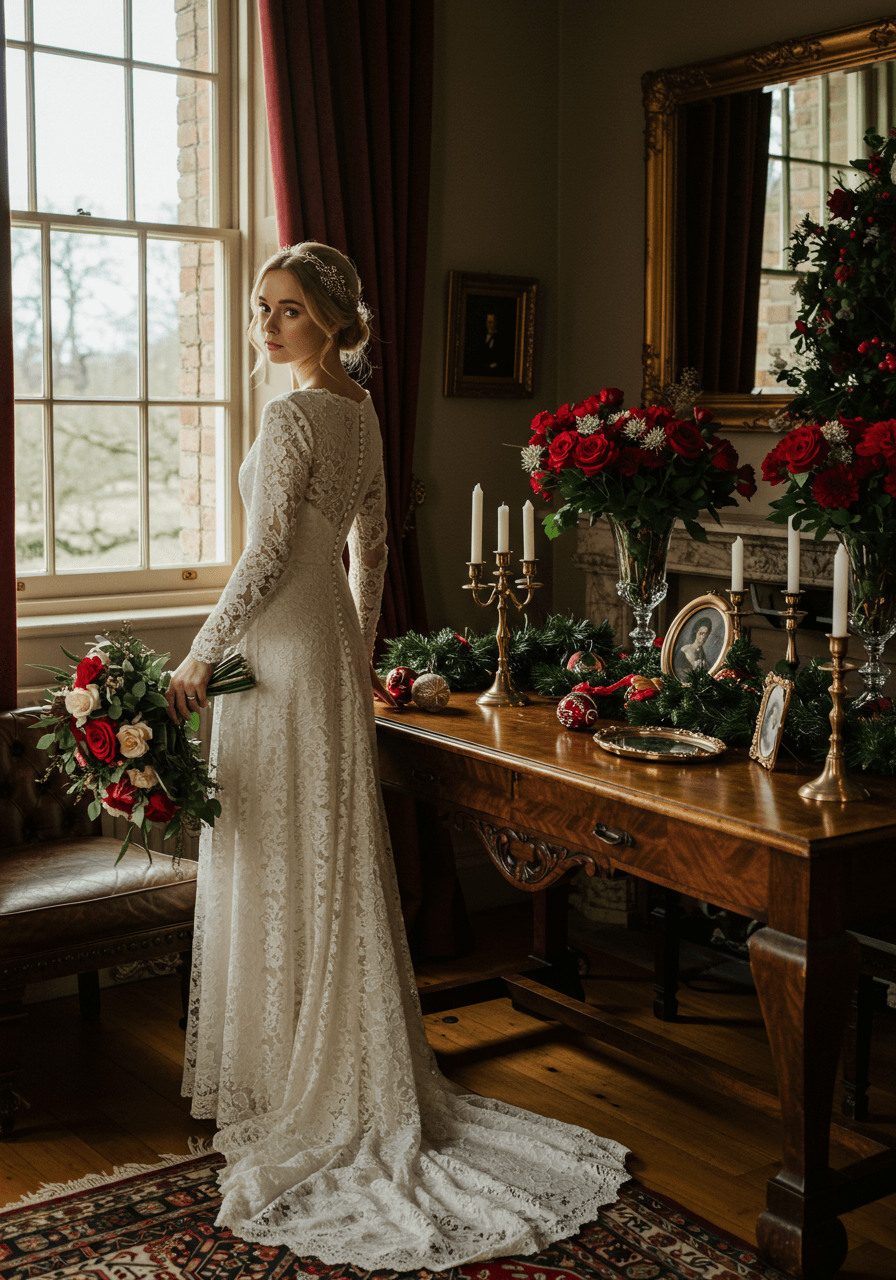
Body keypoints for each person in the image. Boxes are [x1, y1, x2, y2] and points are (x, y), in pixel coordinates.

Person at [166, 242, 628, 1271]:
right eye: (261, 307)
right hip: (318, 648)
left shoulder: (294, 417)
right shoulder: (363, 416)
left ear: (333, 320)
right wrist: (357, 649)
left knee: (282, 848)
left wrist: (202, 652)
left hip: (281, 650)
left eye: (287, 309)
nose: (268, 324)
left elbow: (270, 551)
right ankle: (301, 1067)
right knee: (308, 848)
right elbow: (367, 548)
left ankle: (294, 1080)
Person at [674, 616, 714, 681]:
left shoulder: (701, 652)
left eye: (706, 634)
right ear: (696, 632)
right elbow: (678, 670)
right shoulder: (684, 650)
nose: (703, 637)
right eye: (701, 633)